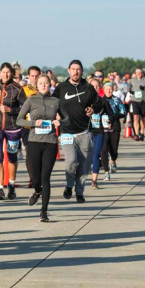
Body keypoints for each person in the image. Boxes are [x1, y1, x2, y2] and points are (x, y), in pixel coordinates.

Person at [52, 59, 102, 203]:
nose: (76, 72)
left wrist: (93, 109)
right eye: (73, 69)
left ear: (82, 71)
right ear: (68, 71)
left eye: (78, 69)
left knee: (85, 165)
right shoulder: (61, 87)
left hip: (85, 132)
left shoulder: (88, 87)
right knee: (71, 161)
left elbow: (98, 103)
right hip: (67, 131)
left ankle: (79, 192)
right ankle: (69, 185)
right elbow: (52, 104)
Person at [16, 74, 60, 222]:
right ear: (36, 85)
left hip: (51, 142)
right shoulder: (31, 100)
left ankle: (44, 211)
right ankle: (37, 191)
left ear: (50, 85)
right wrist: (35, 123)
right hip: (34, 141)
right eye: (41, 83)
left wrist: (60, 122)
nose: (43, 85)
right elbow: (19, 120)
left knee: (45, 177)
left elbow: (66, 118)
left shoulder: (56, 101)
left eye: (46, 83)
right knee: (35, 177)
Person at [0, 63, 27, 200]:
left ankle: (11, 184)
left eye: (8, 72)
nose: (5, 75)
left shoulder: (18, 89)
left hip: (13, 127)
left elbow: (25, 107)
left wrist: (11, 110)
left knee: (12, 156)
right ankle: (0, 188)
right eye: (3, 72)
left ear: (12, 73)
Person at [88, 78, 115, 189]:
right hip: (86, 131)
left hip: (99, 131)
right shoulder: (83, 101)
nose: (95, 88)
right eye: (92, 86)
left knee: (96, 155)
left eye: (97, 86)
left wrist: (109, 121)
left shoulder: (103, 101)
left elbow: (111, 115)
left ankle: (94, 180)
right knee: (86, 155)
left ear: (100, 88)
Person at [21, 66, 42, 188]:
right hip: (28, 127)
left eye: (36, 76)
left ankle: (39, 177)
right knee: (29, 153)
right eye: (32, 76)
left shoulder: (44, 89)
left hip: (42, 126)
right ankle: (33, 179)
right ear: (28, 76)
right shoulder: (23, 90)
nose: (34, 78)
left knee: (40, 154)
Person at [101, 82, 126, 180]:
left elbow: (123, 112)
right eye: (106, 89)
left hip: (115, 127)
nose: (108, 91)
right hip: (103, 127)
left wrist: (113, 117)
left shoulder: (117, 100)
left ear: (113, 89)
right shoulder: (100, 100)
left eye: (110, 89)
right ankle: (106, 172)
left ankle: (113, 160)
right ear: (103, 90)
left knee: (113, 150)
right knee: (103, 150)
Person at [127, 68, 145, 141]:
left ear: (142, 73)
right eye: (137, 72)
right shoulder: (132, 80)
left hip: (143, 101)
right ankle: (136, 134)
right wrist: (130, 91)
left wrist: (144, 89)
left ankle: (141, 133)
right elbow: (128, 87)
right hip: (135, 101)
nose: (139, 74)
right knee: (135, 117)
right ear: (135, 73)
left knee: (142, 118)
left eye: (140, 72)